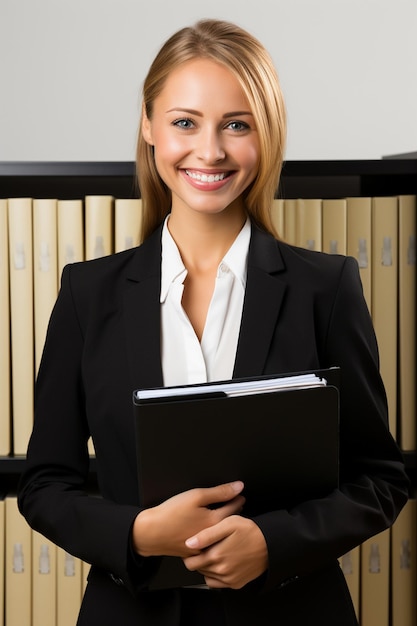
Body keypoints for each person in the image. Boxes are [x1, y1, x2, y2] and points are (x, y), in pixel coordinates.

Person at [18, 18, 409, 626]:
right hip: (133, 612)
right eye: (184, 122)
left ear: (266, 133)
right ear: (148, 126)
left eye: (237, 124)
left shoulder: (325, 289)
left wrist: (273, 544)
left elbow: (379, 480)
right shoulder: (86, 294)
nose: (211, 151)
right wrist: (139, 534)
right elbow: (44, 484)